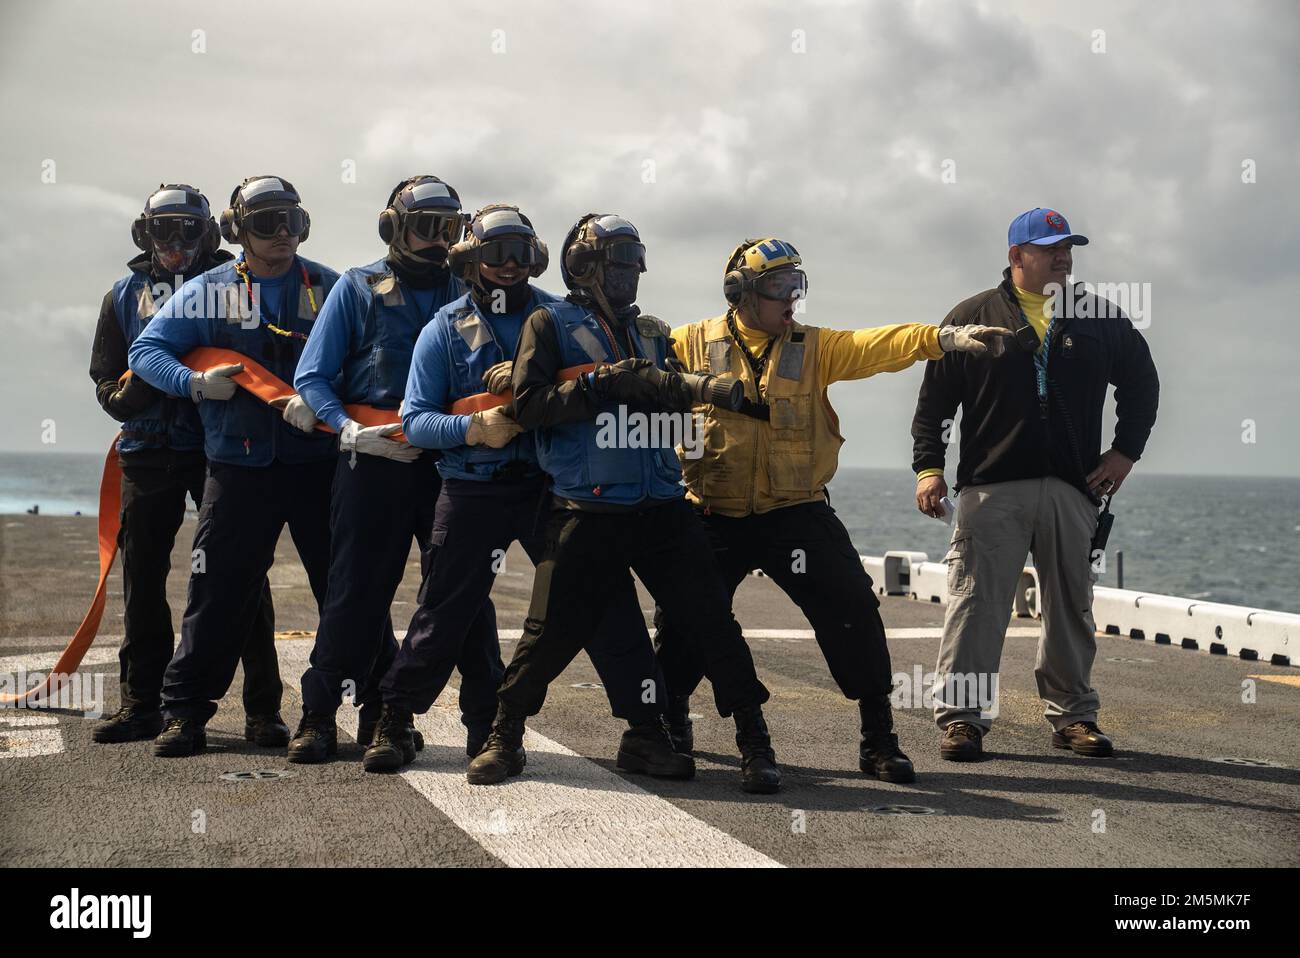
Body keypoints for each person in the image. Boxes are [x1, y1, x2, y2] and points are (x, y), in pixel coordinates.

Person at [655, 237, 1010, 782]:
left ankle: (878, 740)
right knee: (683, 621)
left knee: (852, 611)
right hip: (711, 514)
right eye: (778, 289)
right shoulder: (687, 343)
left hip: (795, 512)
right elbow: (625, 369)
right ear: (740, 293)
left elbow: (878, 345)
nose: (791, 300)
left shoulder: (814, 347)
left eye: (796, 287)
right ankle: (672, 720)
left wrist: (943, 338)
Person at [364, 205, 688, 780]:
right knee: (444, 610)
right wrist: (471, 428)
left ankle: (646, 729)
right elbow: (414, 420)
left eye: (520, 252)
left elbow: (614, 377)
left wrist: (526, 374)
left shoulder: (563, 320)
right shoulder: (443, 329)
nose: (510, 266)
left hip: (552, 490)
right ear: (472, 258)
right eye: (495, 252)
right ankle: (396, 719)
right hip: (472, 488)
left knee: (608, 603)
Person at [469, 213, 779, 793]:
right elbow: (531, 407)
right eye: (621, 264)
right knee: (549, 632)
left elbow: (678, 412)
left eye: (637, 263)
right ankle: (504, 736)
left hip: (662, 506)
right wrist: (599, 386)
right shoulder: (548, 322)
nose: (632, 274)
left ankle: (755, 743)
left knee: (714, 625)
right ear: (585, 267)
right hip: (586, 512)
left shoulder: (656, 334)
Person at [911, 207, 1159, 760]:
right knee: (977, 606)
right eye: (1050, 248)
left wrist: (1124, 454)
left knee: (1073, 604)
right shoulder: (972, 315)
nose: (1063, 257)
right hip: (991, 488)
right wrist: (928, 469)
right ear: (1016, 255)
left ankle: (1073, 718)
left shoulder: (1099, 318)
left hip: (1073, 490)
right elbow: (934, 407)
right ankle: (963, 719)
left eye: (1067, 248)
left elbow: (1143, 383)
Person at [128, 175, 340, 756]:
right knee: (217, 591)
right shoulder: (207, 290)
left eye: (290, 222)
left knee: (345, 590)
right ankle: (186, 713)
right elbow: (144, 352)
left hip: (318, 465)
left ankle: (372, 711)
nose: (280, 234)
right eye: (266, 222)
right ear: (237, 231)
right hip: (239, 469)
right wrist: (192, 384)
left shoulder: (332, 287)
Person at [285, 175, 493, 762]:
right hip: (374, 462)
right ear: (393, 227)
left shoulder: (477, 294)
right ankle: (319, 716)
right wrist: (348, 431)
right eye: (426, 226)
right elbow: (313, 377)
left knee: (463, 596)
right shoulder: (357, 288)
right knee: (354, 591)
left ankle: (484, 726)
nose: (438, 240)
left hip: (453, 466)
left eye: (450, 229)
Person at [88, 183, 280, 744]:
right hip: (147, 454)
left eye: (188, 230)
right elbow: (106, 377)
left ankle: (263, 709)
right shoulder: (122, 295)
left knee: (241, 578)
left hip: (218, 452)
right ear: (144, 235)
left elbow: (263, 361)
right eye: (162, 230)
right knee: (142, 580)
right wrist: (131, 395)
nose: (174, 243)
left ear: (210, 234)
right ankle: (141, 704)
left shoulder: (233, 289)